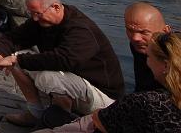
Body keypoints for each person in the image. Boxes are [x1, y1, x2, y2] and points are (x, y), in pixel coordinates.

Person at [0, 0, 125, 128]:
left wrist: (17, 60)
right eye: (32, 13)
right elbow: (13, 37)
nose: (34, 18)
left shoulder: (80, 28)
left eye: (38, 14)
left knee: (49, 77)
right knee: (16, 59)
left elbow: (64, 59)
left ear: (56, 7)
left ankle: (58, 124)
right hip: (76, 82)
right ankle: (35, 113)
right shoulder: (40, 22)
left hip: (103, 97)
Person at [27, 31, 181, 133]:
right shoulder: (165, 100)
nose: (147, 62)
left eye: (149, 57)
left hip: (97, 122)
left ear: (165, 66)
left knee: (52, 117)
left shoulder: (148, 102)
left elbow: (98, 121)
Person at [124, 2, 172, 93]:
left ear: (165, 31)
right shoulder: (139, 45)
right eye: (130, 30)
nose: (135, 38)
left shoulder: (175, 55)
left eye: (144, 32)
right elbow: (142, 85)